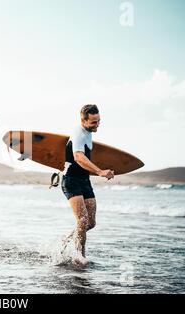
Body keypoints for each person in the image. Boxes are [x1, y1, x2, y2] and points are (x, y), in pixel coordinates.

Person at [60, 104, 114, 265]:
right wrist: (99, 171)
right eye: (93, 122)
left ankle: (65, 240)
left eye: (98, 121)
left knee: (91, 222)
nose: (97, 125)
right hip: (71, 180)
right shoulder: (78, 133)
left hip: (84, 181)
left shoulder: (88, 133)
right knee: (82, 220)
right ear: (83, 120)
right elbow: (78, 157)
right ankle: (79, 256)